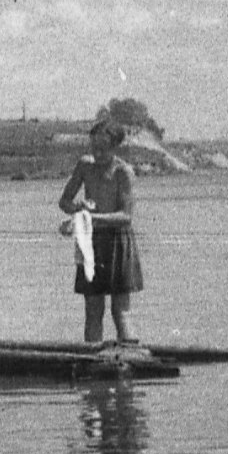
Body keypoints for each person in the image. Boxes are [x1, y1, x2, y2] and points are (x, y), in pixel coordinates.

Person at [59, 119, 143, 343]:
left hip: (117, 241)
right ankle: (92, 358)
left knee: (120, 310)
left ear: (115, 147)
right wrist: (78, 209)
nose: (97, 153)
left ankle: (130, 354)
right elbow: (64, 201)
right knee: (93, 311)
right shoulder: (84, 166)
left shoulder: (122, 172)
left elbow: (125, 216)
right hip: (92, 242)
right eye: (94, 147)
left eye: (103, 149)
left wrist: (91, 217)